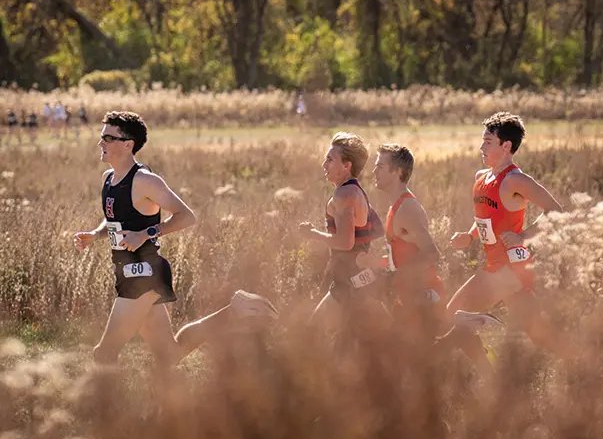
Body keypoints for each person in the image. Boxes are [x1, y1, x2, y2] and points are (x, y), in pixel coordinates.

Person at [73, 111, 277, 370]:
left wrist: (145, 234)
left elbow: (186, 217)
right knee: (169, 354)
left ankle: (101, 408)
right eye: (101, 137)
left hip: (143, 273)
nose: (100, 143)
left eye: (108, 138)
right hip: (126, 269)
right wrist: (95, 234)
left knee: (104, 353)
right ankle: (236, 312)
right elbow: (114, 220)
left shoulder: (146, 181)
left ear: (128, 144)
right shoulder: (108, 179)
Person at [447, 112, 566, 355]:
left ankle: (483, 364)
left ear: (506, 146)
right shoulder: (481, 177)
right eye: (482, 141)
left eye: (488, 142)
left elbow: (556, 211)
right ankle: (585, 362)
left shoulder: (515, 180)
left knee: (454, 312)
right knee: (542, 335)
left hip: (509, 266)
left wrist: (523, 236)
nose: (481, 147)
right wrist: (469, 236)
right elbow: (484, 219)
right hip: (501, 265)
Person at [372, 144, 494, 366]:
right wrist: (377, 266)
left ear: (397, 172)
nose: (374, 172)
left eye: (380, 166)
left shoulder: (407, 208)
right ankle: (462, 334)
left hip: (423, 296)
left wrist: (397, 275)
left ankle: (462, 334)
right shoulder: (395, 207)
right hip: (408, 295)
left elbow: (431, 254)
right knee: (411, 360)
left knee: (419, 364)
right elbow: (401, 256)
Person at [299, 132, 390, 335]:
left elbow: (345, 242)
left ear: (347, 166)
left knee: (312, 336)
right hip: (364, 279)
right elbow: (377, 229)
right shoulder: (357, 192)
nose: (324, 165)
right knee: (372, 343)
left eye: (330, 160)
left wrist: (312, 233)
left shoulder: (344, 194)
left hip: (348, 283)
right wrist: (362, 250)